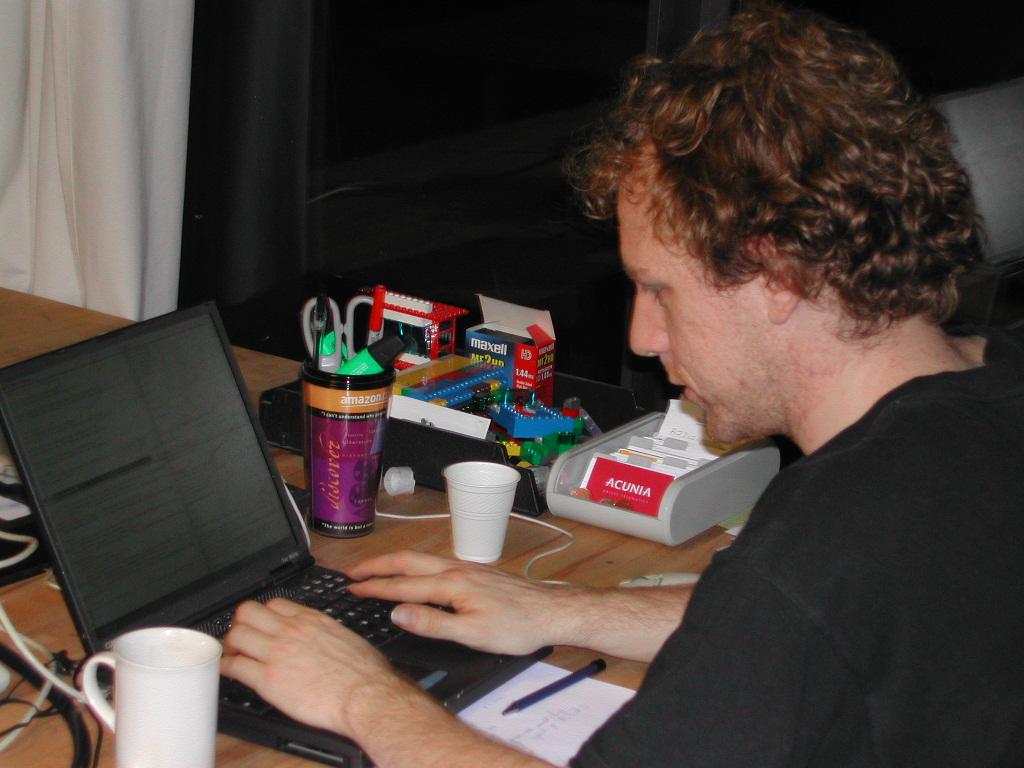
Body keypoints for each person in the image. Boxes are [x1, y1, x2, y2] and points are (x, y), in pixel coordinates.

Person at [221, 4, 1024, 766]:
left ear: (779, 274)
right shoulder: (993, 391)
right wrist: (567, 611)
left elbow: (799, 603)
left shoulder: (829, 540)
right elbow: (798, 630)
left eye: (661, 290)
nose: (643, 336)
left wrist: (364, 698)